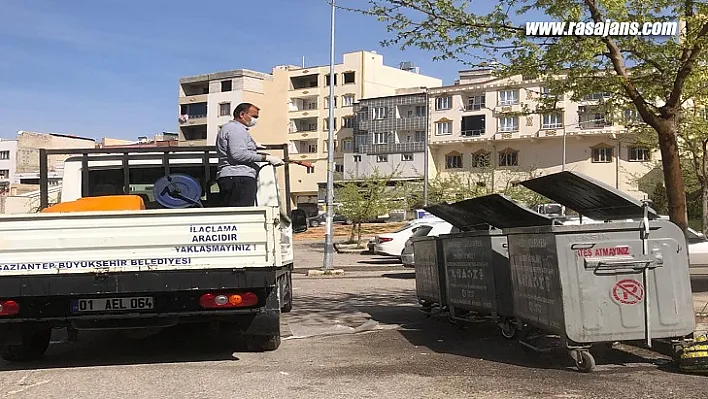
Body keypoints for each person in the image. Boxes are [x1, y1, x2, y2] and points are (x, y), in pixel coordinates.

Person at [215, 102, 284, 207]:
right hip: (238, 178)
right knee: (240, 214)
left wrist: (253, 146)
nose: (255, 120)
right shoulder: (236, 129)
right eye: (254, 116)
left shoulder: (232, 129)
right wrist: (266, 158)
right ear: (242, 114)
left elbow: (237, 148)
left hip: (233, 177)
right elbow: (238, 154)